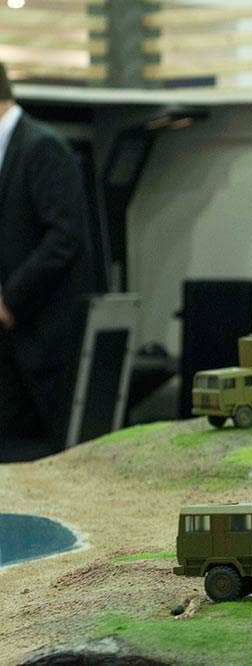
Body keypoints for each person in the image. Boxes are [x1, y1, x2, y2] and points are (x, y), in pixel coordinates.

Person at [0, 62, 93, 461]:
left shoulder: (41, 147)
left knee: (45, 460)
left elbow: (65, 238)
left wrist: (10, 299)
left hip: (43, 341)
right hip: (12, 347)